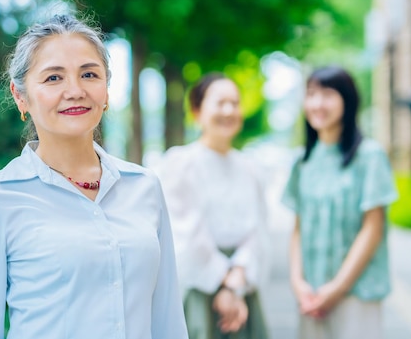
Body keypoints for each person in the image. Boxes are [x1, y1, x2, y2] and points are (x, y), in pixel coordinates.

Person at [0, 13, 188, 339]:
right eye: (53, 78)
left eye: (89, 74)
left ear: (106, 90)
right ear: (21, 96)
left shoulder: (144, 186)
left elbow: (168, 319)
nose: (75, 91)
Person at [281, 65, 398, 339]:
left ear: (348, 101)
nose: (317, 103)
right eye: (311, 94)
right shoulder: (303, 162)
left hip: (357, 292)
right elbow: (298, 228)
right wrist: (297, 282)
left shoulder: (370, 156)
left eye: (328, 94)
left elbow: (372, 229)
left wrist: (337, 288)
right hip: (311, 293)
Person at [155, 73, 269, 339]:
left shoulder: (251, 168)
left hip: (242, 287)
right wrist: (223, 281)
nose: (229, 110)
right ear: (197, 110)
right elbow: (184, 232)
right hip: (199, 286)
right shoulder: (179, 163)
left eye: (235, 103)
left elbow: (257, 230)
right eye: (220, 102)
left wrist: (237, 279)